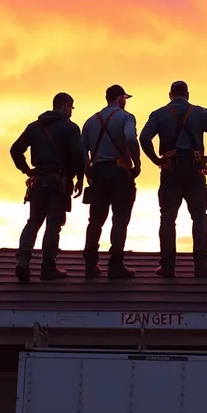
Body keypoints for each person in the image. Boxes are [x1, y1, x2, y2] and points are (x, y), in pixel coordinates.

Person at [139, 80, 207, 277]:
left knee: (168, 217)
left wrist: (157, 161)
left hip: (171, 169)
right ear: (187, 94)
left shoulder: (158, 114)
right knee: (199, 216)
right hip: (195, 169)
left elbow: (144, 137)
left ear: (170, 95)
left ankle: (168, 267)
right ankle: (201, 266)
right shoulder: (201, 112)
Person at [10, 92, 86, 282]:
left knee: (33, 221)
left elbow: (15, 149)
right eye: (72, 107)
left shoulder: (34, 127)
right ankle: (48, 268)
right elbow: (79, 155)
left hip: (38, 180)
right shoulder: (70, 128)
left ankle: (23, 260)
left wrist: (27, 170)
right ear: (66, 106)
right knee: (53, 224)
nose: (72, 111)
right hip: (59, 181)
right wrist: (79, 178)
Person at [80, 85, 141, 279]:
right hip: (120, 173)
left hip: (98, 173)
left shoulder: (90, 121)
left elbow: (82, 150)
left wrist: (87, 170)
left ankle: (90, 264)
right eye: (125, 97)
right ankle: (115, 265)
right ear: (120, 98)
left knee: (95, 220)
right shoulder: (126, 117)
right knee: (120, 219)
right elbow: (131, 138)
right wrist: (137, 163)